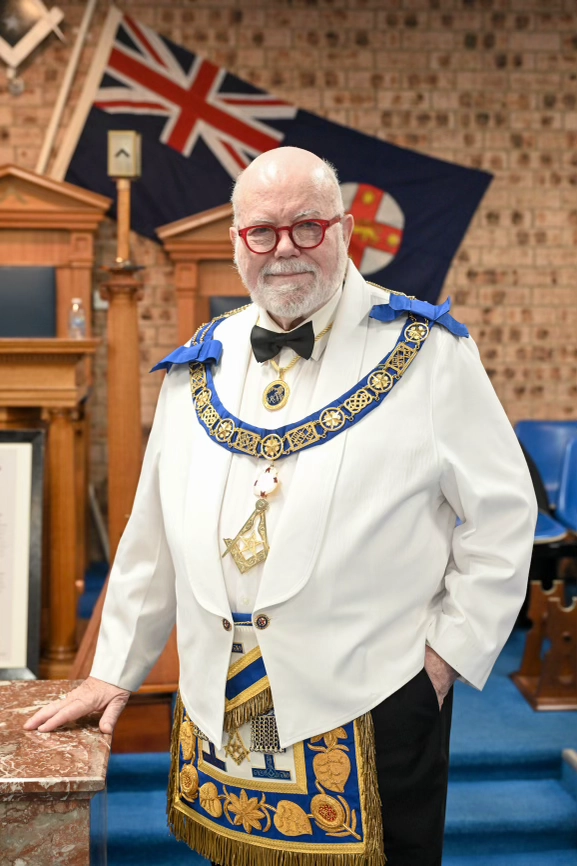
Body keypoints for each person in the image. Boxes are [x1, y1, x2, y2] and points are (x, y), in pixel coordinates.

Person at [25, 147, 537, 866]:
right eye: (262, 231)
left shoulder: (427, 353)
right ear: (237, 242)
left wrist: (445, 658)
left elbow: (503, 516)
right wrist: (115, 669)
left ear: (345, 231)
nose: (284, 249)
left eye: (307, 227)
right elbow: (152, 537)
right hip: (220, 706)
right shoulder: (198, 362)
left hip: (372, 698)